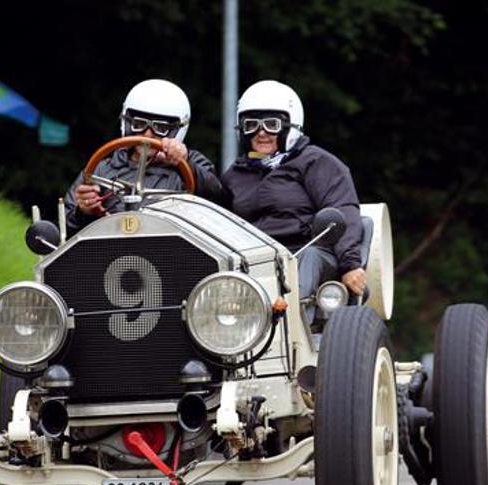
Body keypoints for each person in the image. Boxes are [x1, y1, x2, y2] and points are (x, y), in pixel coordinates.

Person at [219, 80, 365, 315]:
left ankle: (293, 327)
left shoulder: (316, 162)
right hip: (254, 259)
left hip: (306, 251)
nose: (261, 132)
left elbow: (342, 210)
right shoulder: (235, 175)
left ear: (291, 126)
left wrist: (350, 264)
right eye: (251, 125)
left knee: (307, 258)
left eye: (271, 124)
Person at [63, 79, 223, 233]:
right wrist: (84, 212)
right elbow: (66, 228)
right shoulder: (103, 169)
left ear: (177, 130)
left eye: (160, 128)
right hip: (111, 252)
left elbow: (218, 200)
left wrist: (184, 161)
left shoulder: (191, 163)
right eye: (139, 125)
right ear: (126, 122)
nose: (148, 135)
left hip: (168, 253)